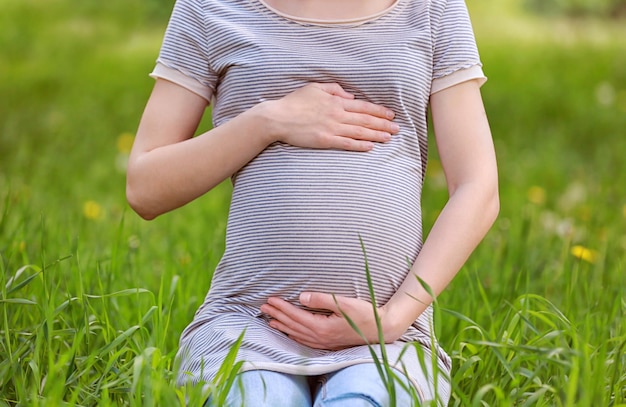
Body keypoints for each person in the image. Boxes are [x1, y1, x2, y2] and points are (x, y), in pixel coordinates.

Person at [126, 0, 499, 405]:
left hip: (389, 340)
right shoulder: (210, 8)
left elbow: (478, 187)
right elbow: (145, 188)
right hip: (246, 328)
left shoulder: (432, 8)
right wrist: (269, 120)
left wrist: (391, 319)